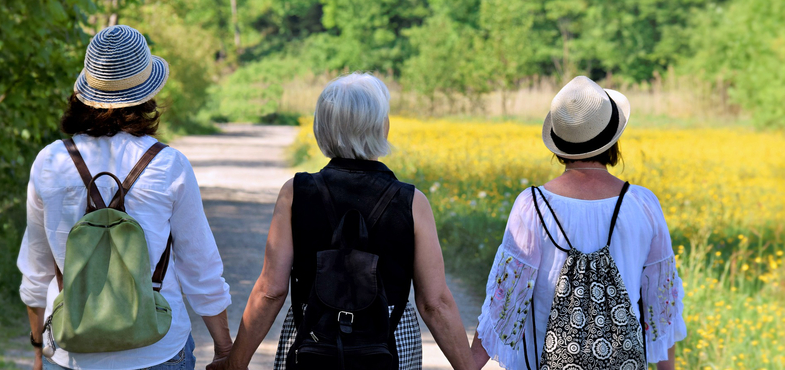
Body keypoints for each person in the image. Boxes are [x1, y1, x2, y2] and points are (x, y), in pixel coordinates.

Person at [207, 72, 476, 370]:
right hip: (390, 341)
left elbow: (271, 291)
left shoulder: (295, 193)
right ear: (382, 127)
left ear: (321, 128)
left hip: (314, 338)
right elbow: (434, 303)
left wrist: (236, 363)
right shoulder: (412, 202)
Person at [17, 25, 232, 370]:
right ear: (146, 94)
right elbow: (200, 266)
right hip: (158, 348)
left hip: (72, 352)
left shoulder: (50, 162)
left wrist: (37, 350)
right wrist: (224, 349)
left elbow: (36, 269)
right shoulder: (168, 164)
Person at [470, 76, 686, 370]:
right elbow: (660, 306)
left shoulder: (532, 205)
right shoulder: (642, 204)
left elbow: (506, 301)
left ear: (559, 144)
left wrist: (468, 364)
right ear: (613, 140)